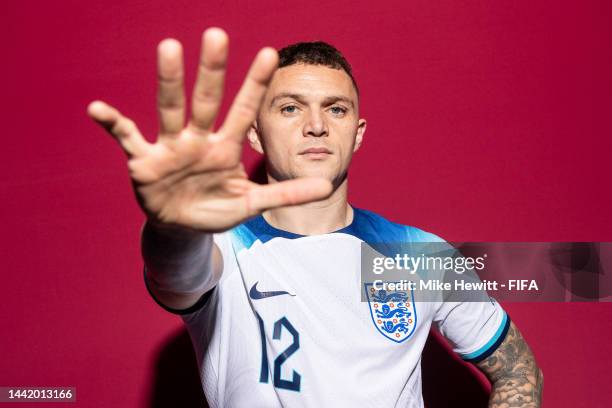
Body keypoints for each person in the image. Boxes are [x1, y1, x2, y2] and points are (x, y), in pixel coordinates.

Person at [88, 27, 543, 407]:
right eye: (290, 108)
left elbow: (520, 371)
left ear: (357, 133)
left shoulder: (416, 253)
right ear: (255, 134)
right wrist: (174, 223)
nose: (317, 125)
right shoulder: (225, 248)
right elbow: (175, 270)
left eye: (336, 109)